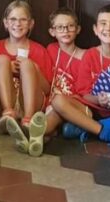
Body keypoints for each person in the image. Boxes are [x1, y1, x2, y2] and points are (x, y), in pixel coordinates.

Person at [51, 5, 110, 150]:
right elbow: (83, 93)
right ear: (95, 29)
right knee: (58, 101)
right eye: (103, 23)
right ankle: (106, 133)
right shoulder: (90, 55)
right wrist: (98, 99)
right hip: (90, 111)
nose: (108, 28)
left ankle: (87, 128)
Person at [0, 0, 52, 157]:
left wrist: (33, 69)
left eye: (23, 19)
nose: (18, 24)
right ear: (5, 23)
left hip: (29, 103)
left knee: (27, 64)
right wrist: (6, 69)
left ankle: (27, 121)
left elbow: (46, 89)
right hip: (4, 102)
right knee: (1, 60)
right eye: (13, 19)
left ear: (31, 24)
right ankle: (8, 114)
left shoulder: (39, 50)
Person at [44, 8, 84, 139]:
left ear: (78, 29)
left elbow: (85, 93)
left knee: (56, 109)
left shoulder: (85, 56)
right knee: (52, 112)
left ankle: (33, 133)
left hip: (73, 104)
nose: (65, 30)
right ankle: (42, 136)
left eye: (70, 26)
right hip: (50, 102)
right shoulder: (51, 49)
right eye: (60, 27)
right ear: (52, 32)